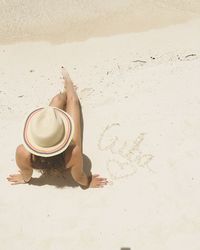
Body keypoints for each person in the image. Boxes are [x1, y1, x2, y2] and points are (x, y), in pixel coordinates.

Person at [7, 67, 108, 189]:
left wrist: (24, 179)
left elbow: (27, 174)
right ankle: (68, 83)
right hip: (65, 155)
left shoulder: (22, 153)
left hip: (47, 159)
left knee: (57, 100)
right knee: (72, 101)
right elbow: (79, 177)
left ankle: (66, 88)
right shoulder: (73, 152)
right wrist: (88, 183)